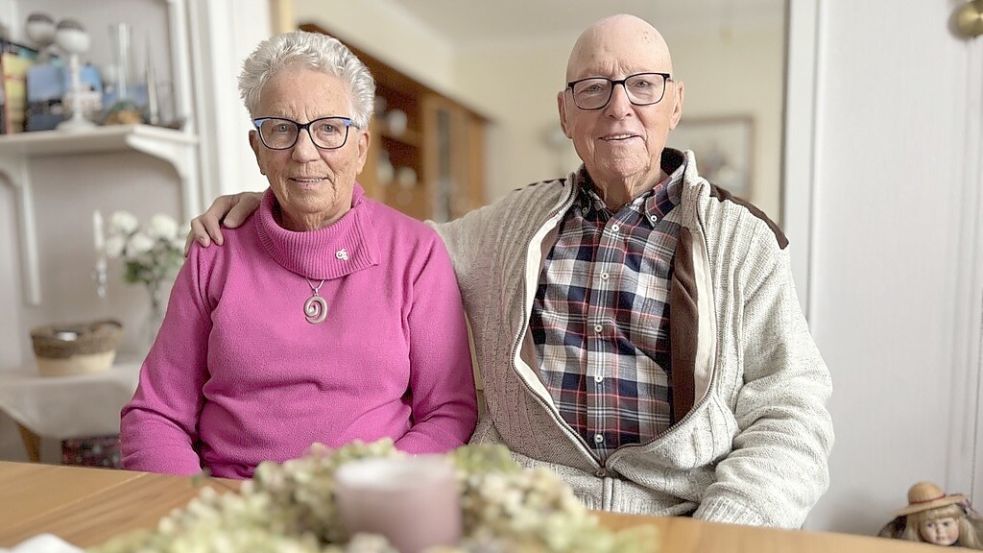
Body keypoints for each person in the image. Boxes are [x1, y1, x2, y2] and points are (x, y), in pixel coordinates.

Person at [187, 14, 833, 527]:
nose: (617, 108)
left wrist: (720, 533)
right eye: (592, 89)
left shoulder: (742, 243)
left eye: (642, 85)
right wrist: (285, 200)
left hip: (683, 521)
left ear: (675, 103)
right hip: (515, 518)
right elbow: (390, 244)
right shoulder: (505, 227)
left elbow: (791, 416)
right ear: (564, 113)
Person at [120, 31, 477, 479]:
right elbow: (155, 415)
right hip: (231, 506)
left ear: (361, 147)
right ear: (258, 149)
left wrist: (367, 484)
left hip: (367, 502)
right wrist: (192, 512)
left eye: (328, 129)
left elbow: (448, 413)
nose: (304, 152)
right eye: (281, 130)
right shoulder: (216, 250)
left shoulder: (415, 252)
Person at [878, 481, 983, 548]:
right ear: (918, 528)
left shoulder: (969, 545)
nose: (940, 531)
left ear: (958, 522)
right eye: (930, 525)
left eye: (946, 524)